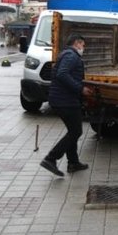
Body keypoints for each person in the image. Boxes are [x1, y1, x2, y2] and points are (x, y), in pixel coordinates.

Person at [40, 33, 91, 177]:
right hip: (65, 101)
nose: (83, 48)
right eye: (83, 45)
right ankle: (51, 158)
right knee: (76, 132)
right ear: (77, 43)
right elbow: (62, 74)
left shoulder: (67, 54)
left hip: (62, 99)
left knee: (72, 131)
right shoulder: (71, 56)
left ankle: (73, 162)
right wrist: (80, 89)